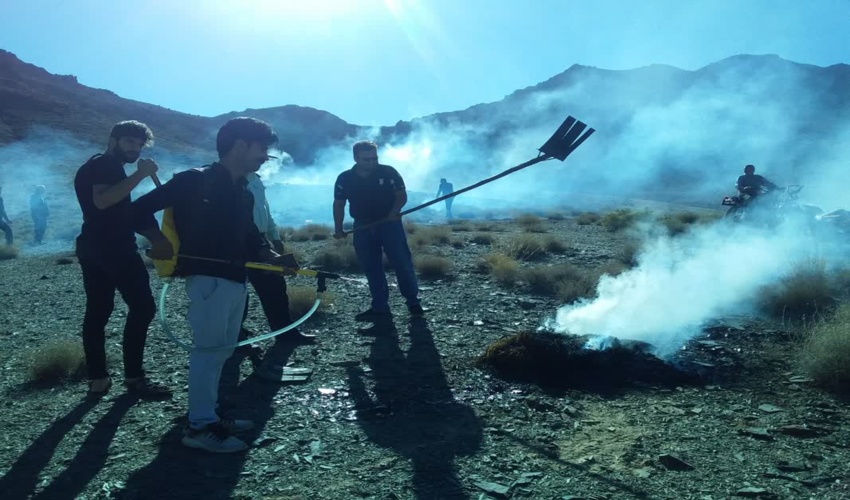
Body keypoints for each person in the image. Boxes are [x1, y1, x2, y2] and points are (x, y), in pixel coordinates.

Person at [133, 117, 281, 453]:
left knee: (222, 352)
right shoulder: (192, 181)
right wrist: (157, 238)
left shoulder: (243, 190)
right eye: (262, 149)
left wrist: (272, 256)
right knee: (209, 352)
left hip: (235, 279)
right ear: (240, 145)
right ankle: (199, 427)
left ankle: (208, 415)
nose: (265, 157)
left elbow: (250, 236)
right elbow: (137, 211)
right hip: (207, 281)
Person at [73, 120, 173, 399]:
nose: (136, 149)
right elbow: (103, 201)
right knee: (143, 308)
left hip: (92, 246)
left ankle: (98, 379)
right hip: (113, 248)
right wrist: (140, 175)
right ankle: (134, 378)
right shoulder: (106, 164)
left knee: (98, 311)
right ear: (114, 139)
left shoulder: (97, 164)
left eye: (140, 145)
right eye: (130, 141)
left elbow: (112, 209)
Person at [333, 141, 424, 322]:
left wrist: (393, 212)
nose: (371, 162)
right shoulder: (344, 178)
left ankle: (413, 303)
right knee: (371, 267)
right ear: (355, 158)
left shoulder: (389, 172)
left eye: (374, 158)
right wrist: (338, 228)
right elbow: (339, 203)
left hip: (390, 225)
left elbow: (401, 195)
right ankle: (380, 307)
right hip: (362, 227)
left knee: (402, 262)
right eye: (366, 159)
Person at [243, 172, 316, 382]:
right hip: (239, 241)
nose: (264, 157)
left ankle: (285, 331)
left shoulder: (255, 179)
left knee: (275, 287)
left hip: (261, 240)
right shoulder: (229, 178)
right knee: (238, 292)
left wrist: (275, 238)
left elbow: (265, 211)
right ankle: (238, 339)